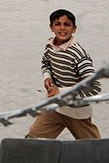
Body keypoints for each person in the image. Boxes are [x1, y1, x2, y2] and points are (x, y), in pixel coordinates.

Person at [26, 9, 101, 139]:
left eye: (67, 24)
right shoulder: (50, 46)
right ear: (51, 27)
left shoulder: (78, 55)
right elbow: (45, 63)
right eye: (57, 24)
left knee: (94, 148)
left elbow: (94, 87)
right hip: (54, 108)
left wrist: (60, 92)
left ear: (74, 28)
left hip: (76, 112)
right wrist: (47, 77)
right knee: (33, 141)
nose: (62, 28)